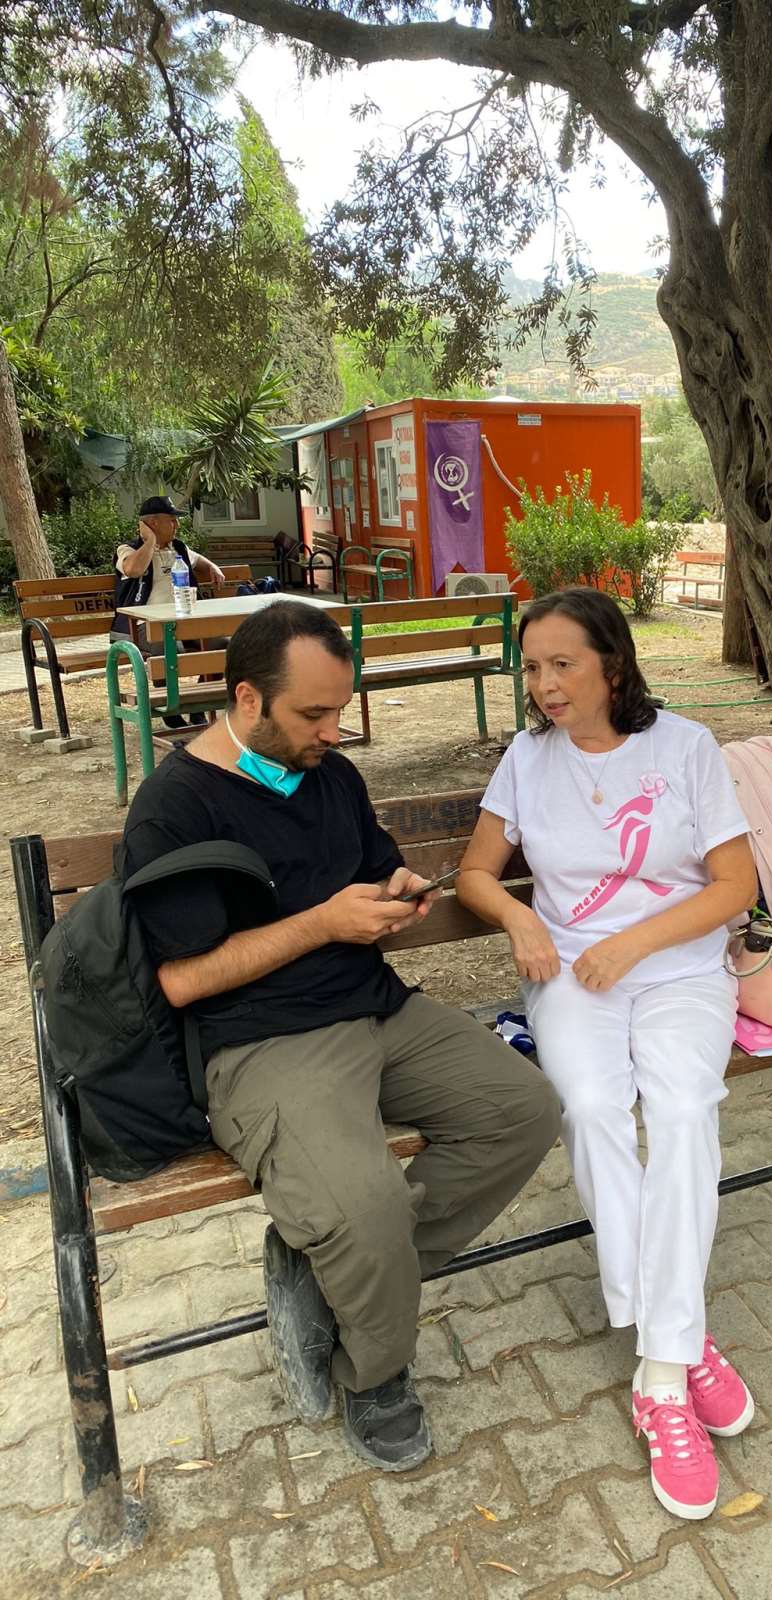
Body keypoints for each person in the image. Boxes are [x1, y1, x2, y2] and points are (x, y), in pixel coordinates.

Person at [119, 600, 561, 1472]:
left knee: (524, 1110)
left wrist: (397, 890)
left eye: (340, 710)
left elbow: (374, 866)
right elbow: (180, 979)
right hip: (260, 1043)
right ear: (248, 698)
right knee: (364, 1207)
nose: (332, 732)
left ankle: (335, 1268)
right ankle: (376, 1371)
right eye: (313, 714)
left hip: (376, 1007)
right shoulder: (175, 808)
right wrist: (323, 922)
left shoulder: (330, 775)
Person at [456, 587, 759, 1521]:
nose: (544, 685)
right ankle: (682, 1336)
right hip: (570, 978)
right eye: (532, 666)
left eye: (564, 664)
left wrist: (634, 943)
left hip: (680, 974)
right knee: (588, 1110)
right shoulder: (526, 759)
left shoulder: (686, 749)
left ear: (613, 665)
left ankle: (660, 1375)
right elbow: (475, 873)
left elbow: (735, 886)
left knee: (682, 1112)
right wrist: (520, 922)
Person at [111, 495, 228, 728]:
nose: (177, 525)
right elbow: (134, 569)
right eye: (171, 520)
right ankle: (170, 708)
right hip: (142, 625)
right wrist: (150, 541)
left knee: (223, 644)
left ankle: (199, 705)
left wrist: (212, 567)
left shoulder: (179, 548)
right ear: (152, 523)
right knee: (167, 647)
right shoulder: (128, 550)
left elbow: (197, 559)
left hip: (184, 621)